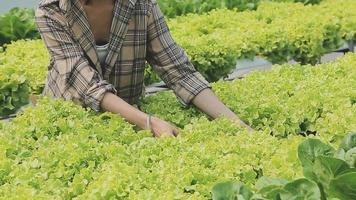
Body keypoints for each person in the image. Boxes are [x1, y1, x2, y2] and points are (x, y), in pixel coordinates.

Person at [35, 0, 253, 137]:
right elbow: (85, 84)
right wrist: (148, 121)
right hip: (69, 121)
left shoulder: (141, 5)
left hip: (128, 115)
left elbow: (178, 70)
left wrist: (237, 125)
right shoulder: (51, 11)